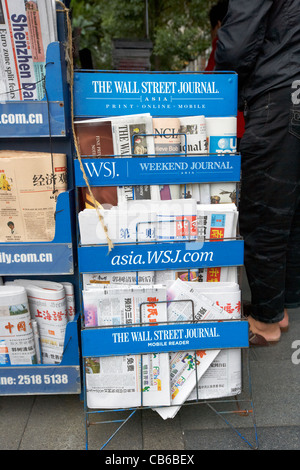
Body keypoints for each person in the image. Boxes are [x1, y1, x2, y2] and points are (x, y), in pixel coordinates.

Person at [214, 0, 300, 345]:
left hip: (278, 96)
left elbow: (235, 47)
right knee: (290, 212)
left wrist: (227, 93)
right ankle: (278, 307)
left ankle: (265, 321)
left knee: (264, 213)